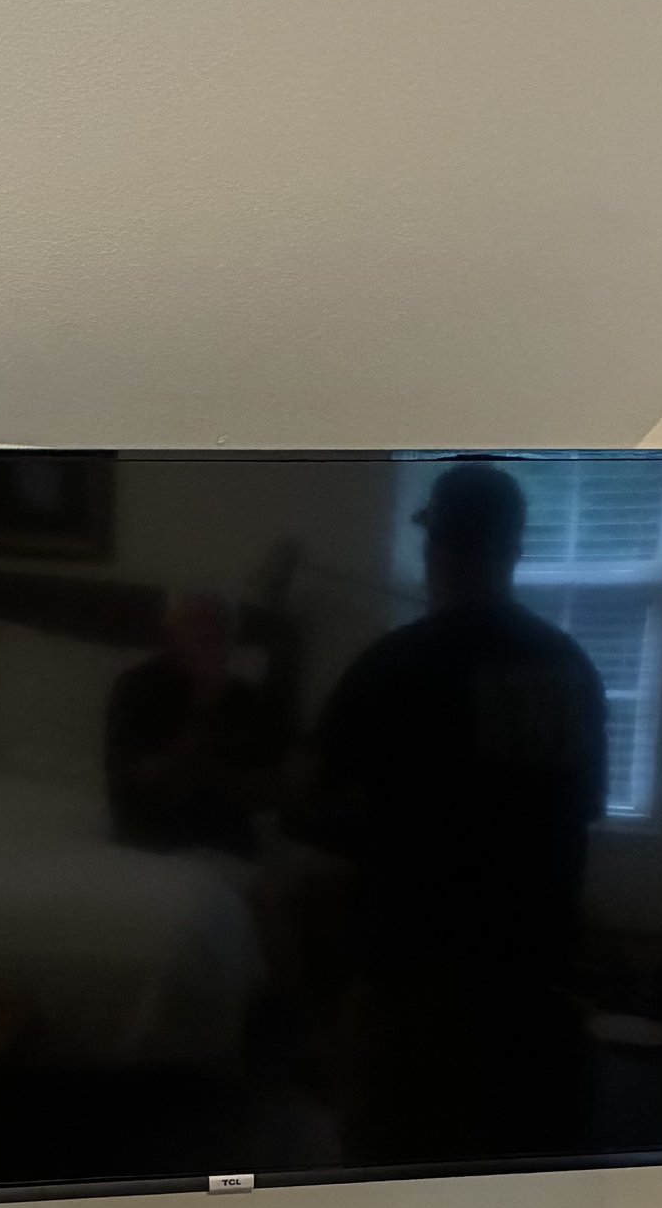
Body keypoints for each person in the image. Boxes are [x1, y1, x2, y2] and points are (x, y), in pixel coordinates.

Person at [304, 462, 605, 1164]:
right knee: (512, 1172)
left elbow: (312, 797)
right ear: (514, 551)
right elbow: (581, 810)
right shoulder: (571, 669)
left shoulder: (391, 667)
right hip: (536, 975)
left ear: (434, 550)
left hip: (414, 979)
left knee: (390, 1166)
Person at [103, 592, 281, 857]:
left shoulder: (246, 697)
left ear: (230, 637)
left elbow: (267, 791)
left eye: (215, 623)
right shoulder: (137, 687)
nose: (205, 633)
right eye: (194, 621)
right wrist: (204, 702)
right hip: (153, 838)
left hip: (226, 841)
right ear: (171, 633)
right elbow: (151, 783)